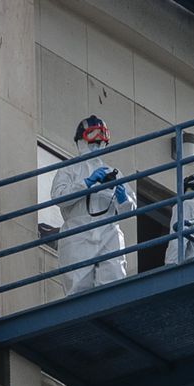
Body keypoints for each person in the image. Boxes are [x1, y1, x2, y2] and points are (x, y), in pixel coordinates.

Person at [51, 116, 137, 294]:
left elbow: (130, 209)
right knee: (78, 287)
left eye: (100, 141)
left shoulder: (113, 172)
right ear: (81, 140)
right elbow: (59, 197)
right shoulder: (69, 169)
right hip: (78, 232)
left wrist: (123, 199)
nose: (97, 145)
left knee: (113, 283)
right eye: (93, 139)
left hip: (108, 231)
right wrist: (86, 183)